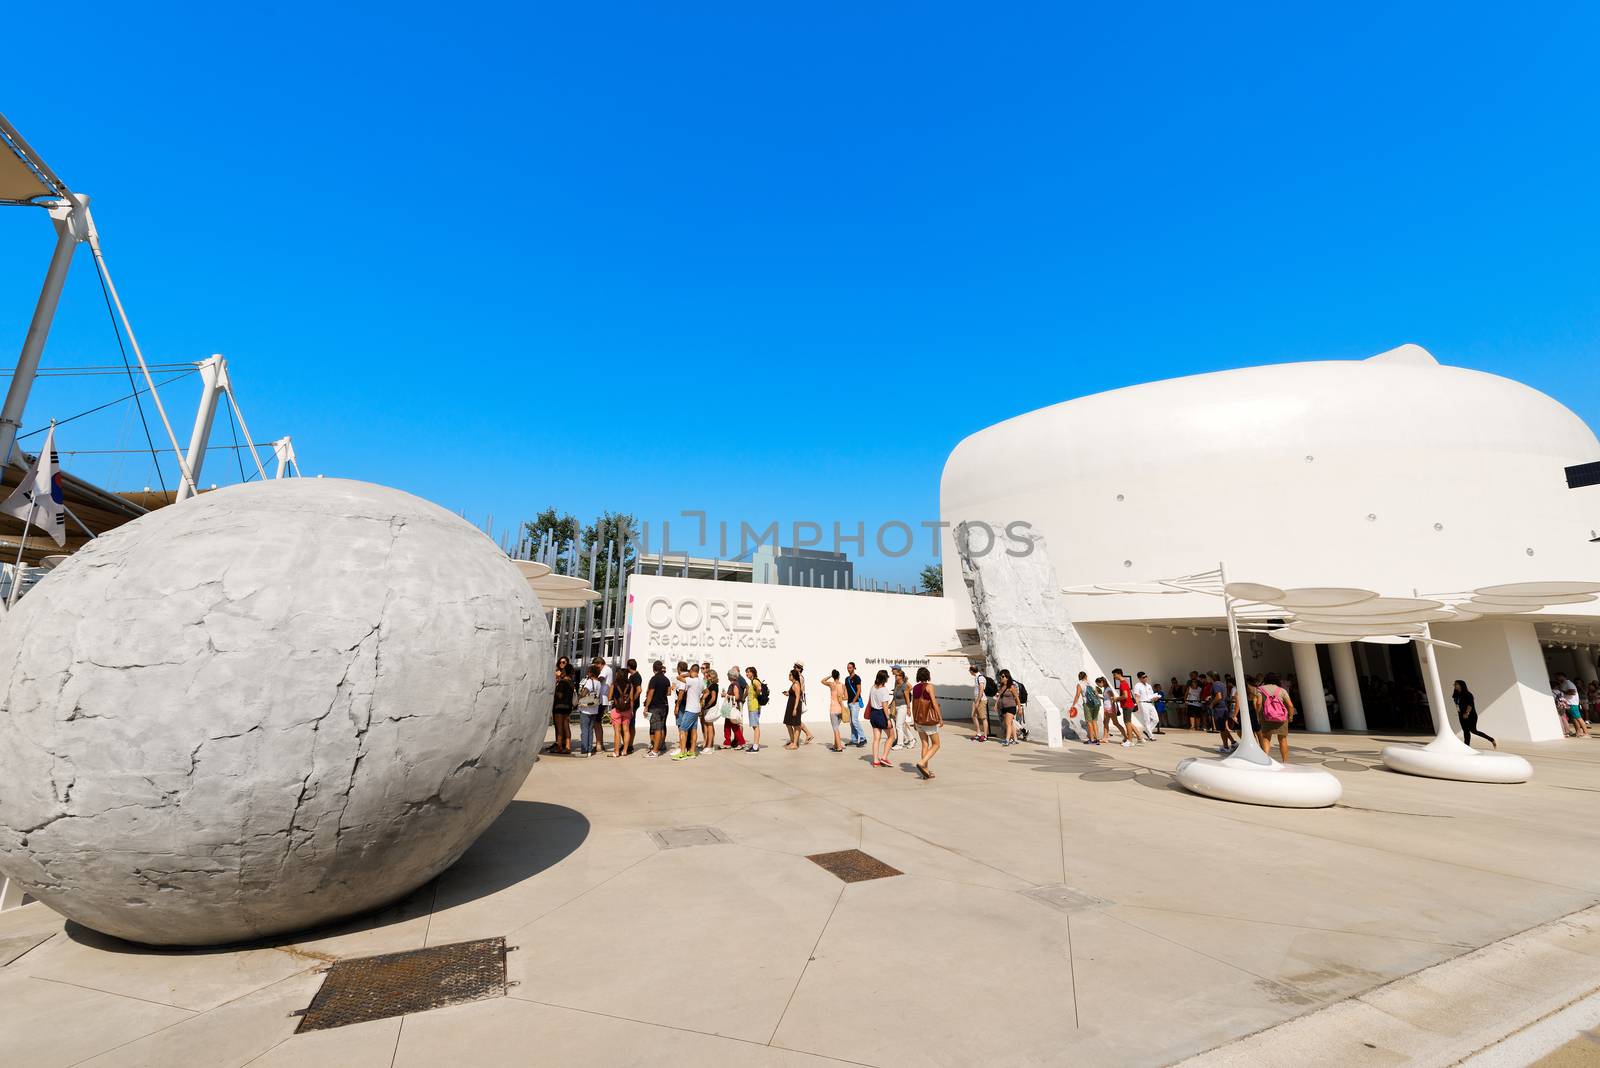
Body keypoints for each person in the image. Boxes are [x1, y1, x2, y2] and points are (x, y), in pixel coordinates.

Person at [1255, 672, 1295, 762]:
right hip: (1281, 718)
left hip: (1266, 717)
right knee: (1282, 739)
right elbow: (1290, 705)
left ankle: (1265, 760)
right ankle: (1285, 762)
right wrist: (1291, 716)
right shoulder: (1281, 690)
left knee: (1266, 738)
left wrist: (1258, 715)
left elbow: (1258, 703)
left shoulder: (1260, 689)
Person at [911, 666, 943, 778]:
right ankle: (922, 762)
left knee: (925, 744)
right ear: (928, 676)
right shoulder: (929, 686)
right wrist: (940, 718)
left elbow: (913, 705)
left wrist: (914, 720)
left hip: (918, 720)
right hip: (928, 721)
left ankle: (926, 771)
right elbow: (934, 703)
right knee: (936, 744)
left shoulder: (915, 688)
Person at [1451, 679, 1496, 748]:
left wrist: (1467, 713)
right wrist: (1459, 712)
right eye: (1454, 684)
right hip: (1461, 715)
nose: (1454, 685)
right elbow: (1457, 704)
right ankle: (1466, 747)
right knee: (1465, 731)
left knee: (1473, 731)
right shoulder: (1456, 695)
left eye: (1456, 684)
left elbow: (1470, 705)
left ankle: (1491, 739)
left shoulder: (1468, 694)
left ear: (1461, 685)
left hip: (1470, 715)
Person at [673, 662, 704, 760]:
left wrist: (688, 674)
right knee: (694, 730)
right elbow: (706, 692)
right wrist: (701, 700)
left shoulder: (691, 680)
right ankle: (692, 752)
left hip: (690, 709)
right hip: (697, 709)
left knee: (683, 730)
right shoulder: (701, 681)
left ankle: (682, 753)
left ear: (691, 671)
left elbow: (679, 677)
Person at [867, 669, 895, 766]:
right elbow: (885, 706)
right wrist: (888, 719)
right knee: (892, 736)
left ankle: (875, 761)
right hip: (881, 714)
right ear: (885, 678)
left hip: (873, 714)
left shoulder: (872, 688)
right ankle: (884, 758)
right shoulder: (884, 690)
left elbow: (870, 701)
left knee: (876, 738)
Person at [577, 665, 605, 756]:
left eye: (588, 672)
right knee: (590, 730)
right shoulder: (598, 683)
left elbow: (584, 693)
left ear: (591, 673)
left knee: (584, 730)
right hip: (594, 709)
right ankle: (589, 749)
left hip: (586, 708)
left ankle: (584, 749)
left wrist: (579, 695)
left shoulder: (590, 681)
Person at [644, 660, 670, 757]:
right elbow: (668, 693)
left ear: (653, 668)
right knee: (661, 727)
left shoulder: (654, 679)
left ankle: (655, 750)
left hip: (654, 707)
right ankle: (660, 745)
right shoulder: (666, 679)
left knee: (656, 728)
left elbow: (650, 693)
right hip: (663, 706)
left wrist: (646, 707)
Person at [608, 663, 634, 757]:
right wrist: (632, 710)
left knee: (617, 731)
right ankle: (625, 751)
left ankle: (616, 752)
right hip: (627, 710)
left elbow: (609, 697)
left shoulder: (614, 684)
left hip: (616, 709)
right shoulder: (630, 685)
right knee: (626, 730)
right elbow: (631, 699)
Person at [549, 661, 574, 755]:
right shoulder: (571, 682)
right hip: (568, 707)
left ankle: (559, 747)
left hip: (559, 707)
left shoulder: (562, 682)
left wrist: (554, 690)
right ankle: (568, 746)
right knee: (566, 727)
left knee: (559, 729)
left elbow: (559, 695)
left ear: (564, 671)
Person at [1071, 670, 1100, 745]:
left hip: (1087, 704)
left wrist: (1073, 705)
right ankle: (1097, 739)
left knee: (1089, 722)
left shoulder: (1080, 684)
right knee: (1094, 721)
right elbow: (1096, 693)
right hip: (1096, 704)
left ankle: (1092, 740)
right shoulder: (1091, 683)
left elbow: (1077, 695)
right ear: (1086, 676)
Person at [1209, 671, 1235, 753]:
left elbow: (1219, 696)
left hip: (1219, 709)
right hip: (1224, 708)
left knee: (1221, 729)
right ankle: (1233, 743)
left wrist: (1211, 704)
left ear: (1211, 677)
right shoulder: (1222, 684)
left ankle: (1226, 747)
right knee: (1223, 728)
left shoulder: (1215, 684)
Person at [723, 664, 747, 750]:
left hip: (732, 708)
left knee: (735, 726)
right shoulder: (733, 684)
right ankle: (727, 742)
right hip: (729, 708)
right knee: (727, 726)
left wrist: (726, 695)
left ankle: (741, 742)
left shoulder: (735, 685)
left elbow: (736, 697)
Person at [891, 667, 915, 750]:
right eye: (895, 676)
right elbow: (894, 697)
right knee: (903, 725)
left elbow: (907, 698)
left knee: (898, 725)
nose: (895, 677)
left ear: (901, 676)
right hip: (897, 707)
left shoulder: (904, 686)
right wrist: (890, 704)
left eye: (897, 676)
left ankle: (900, 744)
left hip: (903, 707)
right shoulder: (897, 685)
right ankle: (912, 740)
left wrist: (909, 709)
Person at [782, 667, 806, 749]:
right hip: (790, 705)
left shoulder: (796, 685)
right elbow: (793, 694)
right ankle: (793, 741)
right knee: (788, 724)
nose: (789, 676)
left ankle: (795, 744)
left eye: (790, 675)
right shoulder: (793, 684)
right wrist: (788, 693)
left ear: (794, 676)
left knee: (796, 725)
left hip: (794, 706)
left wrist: (795, 708)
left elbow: (798, 697)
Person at [824, 669, 848, 751]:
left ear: (833, 676)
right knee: (836, 727)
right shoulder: (843, 685)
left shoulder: (831, 684)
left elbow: (822, 681)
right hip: (841, 709)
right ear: (839, 676)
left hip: (833, 709)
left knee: (835, 728)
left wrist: (830, 675)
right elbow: (847, 697)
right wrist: (841, 699)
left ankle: (839, 747)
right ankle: (835, 745)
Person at [845, 662, 867, 747]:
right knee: (851, 722)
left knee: (855, 720)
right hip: (849, 702)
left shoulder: (857, 678)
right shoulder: (846, 679)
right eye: (848, 668)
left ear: (854, 668)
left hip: (856, 702)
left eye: (850, 667)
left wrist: (854, 699)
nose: (849, 669)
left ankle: (863, 738)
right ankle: (854, 740)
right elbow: (847, 690)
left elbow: (859, 690)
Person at [996, 669, 1020, 746]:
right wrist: (996, 704)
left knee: (1007, 723)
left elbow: (1017, 698)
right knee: (1011, 723)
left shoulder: (1011, 687)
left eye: (1003, 676)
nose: (1001, 678)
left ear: (1007, 677)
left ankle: (1007, 740)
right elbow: (999, 696)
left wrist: (1019, 708)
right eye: (1000, 677)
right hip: (1003, 707)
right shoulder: (1001, 687)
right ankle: (1015, 739)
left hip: (1011, 707)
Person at [700, 663, 720, 753]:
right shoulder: (710, 685)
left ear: (711, 677)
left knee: (709, 726)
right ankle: (708, 745)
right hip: (708, 708)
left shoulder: (714, 685)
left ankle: (709, 746)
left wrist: (706, 706)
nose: (706, 678)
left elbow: (713, 698)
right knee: (707, 727)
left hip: (710, 708)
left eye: (708, 676)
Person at [1133, 672, 1158, 741]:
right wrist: (1136, 705)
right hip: (1143, 703)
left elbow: (1152, 695)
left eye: (1146, 676)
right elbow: (1137, 696)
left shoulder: (1149, 685)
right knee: (1146, 720)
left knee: (1156, 719)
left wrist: (1155, 698)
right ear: (1140, 678)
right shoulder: (1137, 685)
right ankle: (1151, 736)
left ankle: (1147, 731)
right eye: (1143, 677)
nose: (1145, 678)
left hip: (1151, 703)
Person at [745, 666, 765, 752]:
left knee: (756, 726)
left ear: (753, 672)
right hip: (753, 706)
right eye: (746, 672)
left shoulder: (755, 681)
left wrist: (757, 694)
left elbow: (759, 688)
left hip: (754, 706)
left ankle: (755, 746)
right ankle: (755, 745)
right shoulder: (752, 681)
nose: (747, 673)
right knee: (754, 726)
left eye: (749, 672)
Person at [969, 664, 989, 742]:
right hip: (976, 700)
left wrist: (977, 701)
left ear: (972, 671)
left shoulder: (980, 678)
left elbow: (981, 690)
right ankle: (978, 733)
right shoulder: (976, 677)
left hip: (981, 700)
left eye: (969, 671)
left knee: (983, 717)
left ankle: (985, 736)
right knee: (974, 715)